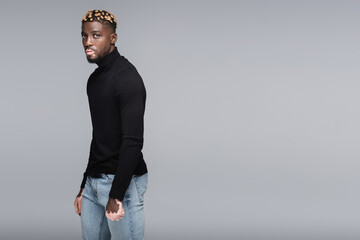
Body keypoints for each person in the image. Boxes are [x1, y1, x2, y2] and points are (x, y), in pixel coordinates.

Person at [73, 9, 148, 240]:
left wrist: (116, 194)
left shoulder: (128, 79)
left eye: (96, 35)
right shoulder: (94, 80)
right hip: (95, 182)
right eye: (84, 36)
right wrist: (85, 183)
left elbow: (133, 142)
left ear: (112, 38)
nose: (88, 42)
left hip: (121, 182)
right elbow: (100, 137)